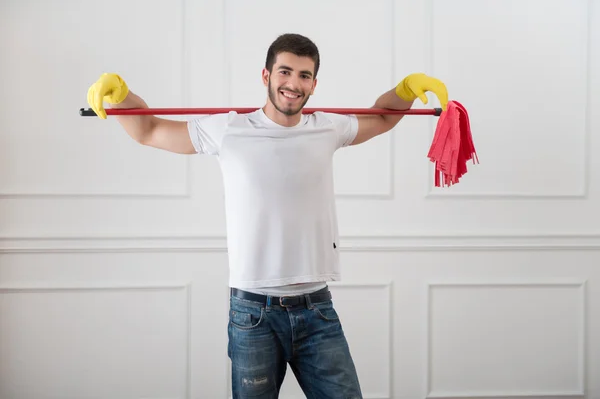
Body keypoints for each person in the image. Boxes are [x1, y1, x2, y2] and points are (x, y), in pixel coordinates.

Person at [87, 33, 448, 398]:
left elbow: (384, 115)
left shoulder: (328, 127)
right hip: (253, 313)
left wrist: (406, 88)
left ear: (314, 84)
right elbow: (148, 129)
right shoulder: (228, 130)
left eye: (304, 76)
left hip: (317, 309)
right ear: (266, 75)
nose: (293, 84)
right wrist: (121, 96)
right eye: (285, 72)